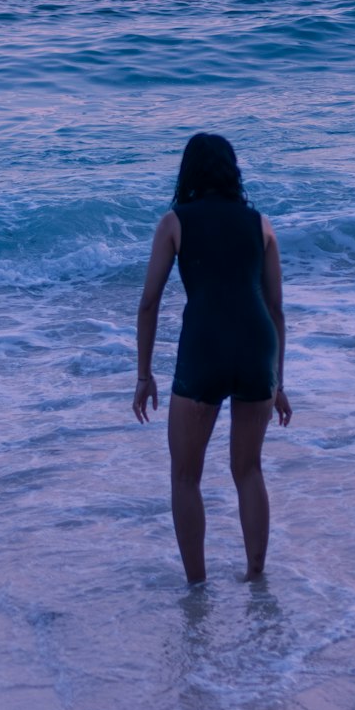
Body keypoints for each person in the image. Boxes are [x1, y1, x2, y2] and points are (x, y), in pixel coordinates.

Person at [132, 133, 292, 584]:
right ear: (231, 171)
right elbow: (276, 307)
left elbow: (148, 303)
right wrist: (278, 383)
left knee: (185, 477)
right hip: (256, 346)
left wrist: (144, 376)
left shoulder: (174, 223)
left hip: (204, 347)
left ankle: (197, 587)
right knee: (249, 469)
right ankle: (255, 576)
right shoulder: (261, 224)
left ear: (188, 173)